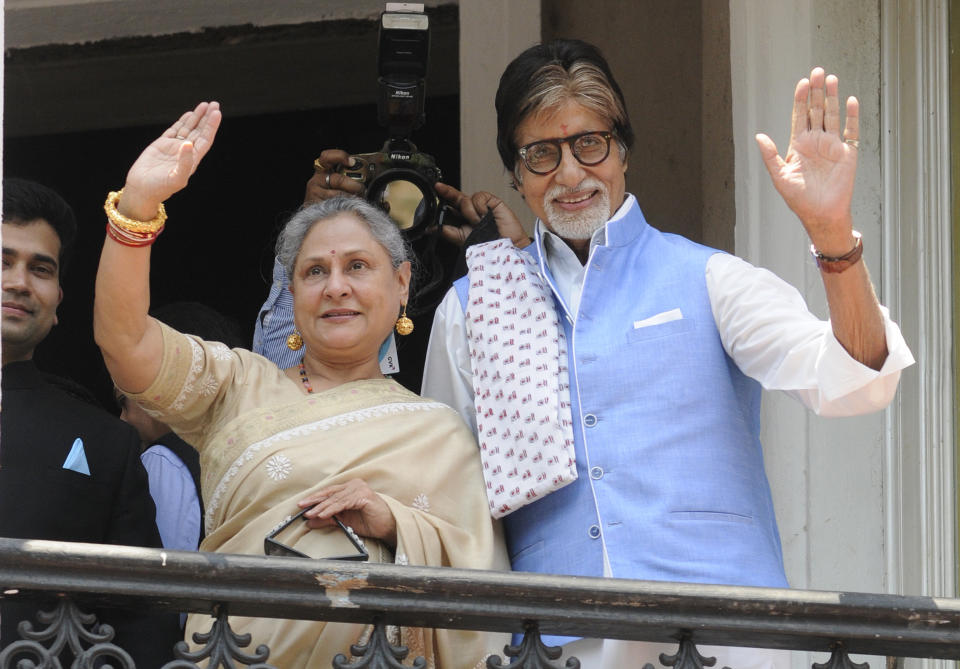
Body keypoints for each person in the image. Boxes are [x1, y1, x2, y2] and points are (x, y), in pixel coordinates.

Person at [418, 40, 915, 665]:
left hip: (725, 636)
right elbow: (443, 488)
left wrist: (831, 234)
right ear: (516, 174)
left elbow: (857, 382)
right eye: (542, 154)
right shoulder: (474, 308)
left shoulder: (709, 278)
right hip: (557, 645)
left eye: (589, 144)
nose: (570, 175)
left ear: (623, 152)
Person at [92, 103, 508, 669]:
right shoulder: (235, 385)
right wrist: (137, 207)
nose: (336, 286)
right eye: (315, 271)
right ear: (290, 292)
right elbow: (125, 343)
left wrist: (392, 523)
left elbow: (487, 597)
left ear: (402, 282)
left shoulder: (440, 433)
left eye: (358, 266)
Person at [0, 177, 181, 666]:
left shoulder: (105, 443)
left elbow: (142, 616)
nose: (19, 281)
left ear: (59, 300)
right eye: (4, 260)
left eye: (40, 268)